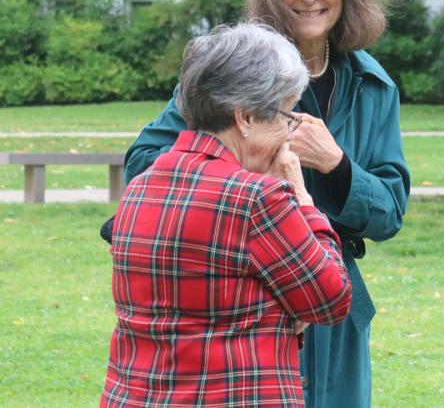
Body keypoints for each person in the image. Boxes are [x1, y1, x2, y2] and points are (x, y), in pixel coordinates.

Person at [123, 0, 410, 406]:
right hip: (242, 302)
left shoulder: (373, 86)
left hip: (335, 300)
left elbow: (389, 213)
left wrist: (336, 165)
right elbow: (145, 164)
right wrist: (242, 174)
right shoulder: (229, 65)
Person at [101, 23, 352, 407]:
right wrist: (301, 196)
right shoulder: (256, 198)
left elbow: (199, 300)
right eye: (286, 117)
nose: (289, 136)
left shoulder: (140, 187)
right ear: (246, 117)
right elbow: (330, 298)